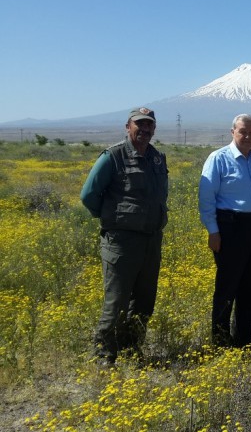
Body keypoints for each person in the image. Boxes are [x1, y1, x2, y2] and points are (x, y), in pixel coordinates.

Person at [80, 107, 168, 366]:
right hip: (121, 242)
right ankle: (104, 353)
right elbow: (88, 195)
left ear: (154, 128)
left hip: (151, 240)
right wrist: (113, 219)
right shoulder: (113, 156)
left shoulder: (157, 158)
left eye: (149, 125)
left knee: (144, 300)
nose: (144, 130)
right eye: (139, 125)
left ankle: (132, 348)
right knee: (116, 299)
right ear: (127, 126)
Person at [198, 114, 251, 349]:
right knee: (228, 287)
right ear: (233, 132)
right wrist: (213, 231)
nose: (248, 136)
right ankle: (220, 341)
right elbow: (206, 199)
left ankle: (245, 339)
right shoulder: (218, 159)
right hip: (231, 227)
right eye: (243, 131)